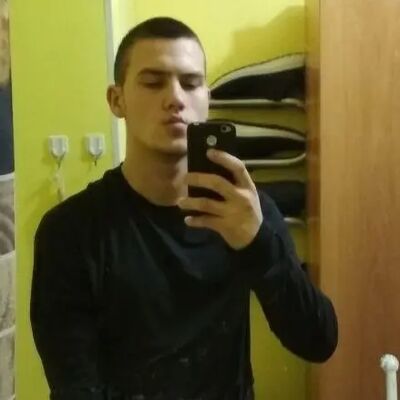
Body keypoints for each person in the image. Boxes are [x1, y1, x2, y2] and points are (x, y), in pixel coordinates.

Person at [30, 16, 338, 400]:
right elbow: (75, 387)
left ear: (207, 99)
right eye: (153, 82)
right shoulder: (71, 232)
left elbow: (319, 340)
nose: (175, 98)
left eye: (190, 84)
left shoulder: (245, 213)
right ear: (116, 99)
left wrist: (258, 244)